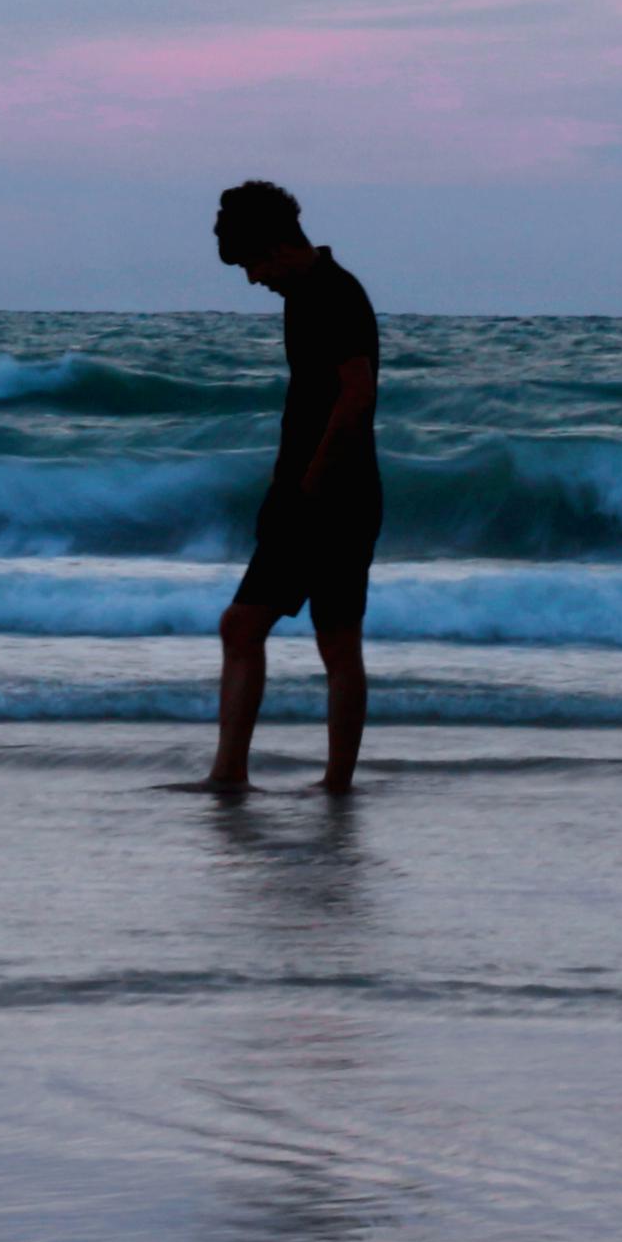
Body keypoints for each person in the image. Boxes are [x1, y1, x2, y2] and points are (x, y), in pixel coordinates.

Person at [207, 180, 381, 794]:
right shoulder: (318, 290)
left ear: (278, 246)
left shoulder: (326, 295)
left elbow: (356, 397)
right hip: (348, 493)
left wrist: (306, 486)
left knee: (243, 626)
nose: (254, 278)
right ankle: (335, 786)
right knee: (337, 641)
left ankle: (230, 775)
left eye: (253, 263)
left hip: (322, 496)